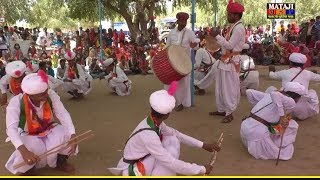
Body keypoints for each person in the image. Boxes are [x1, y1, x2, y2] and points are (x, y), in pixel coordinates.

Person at [108, 82, 220, 176]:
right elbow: (170, 162)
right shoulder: (149, 135)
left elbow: (176, 134)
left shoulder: (153, 121)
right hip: (133, 169)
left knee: (172, 139)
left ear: (152, 108)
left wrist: (203, 145)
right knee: (169, 160)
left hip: (142, 159)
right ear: (167, 114)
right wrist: (201, 169)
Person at [5, 70, 78, 175]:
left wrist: (72, 134)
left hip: (48, 128)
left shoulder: (50, 94)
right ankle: (28, 169)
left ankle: (60, 161)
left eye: (46, 91)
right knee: (29, 147)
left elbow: (63, 114)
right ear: (31, 95)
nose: (46, 95)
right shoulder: (16, 102)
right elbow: (11, 128)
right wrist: (24, 151)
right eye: (41, 94)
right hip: (27, 133)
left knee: (66, 133)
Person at [240, 82, 306, 160]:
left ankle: (270, 138)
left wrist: (256, 113)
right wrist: (281, 116)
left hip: (245, 129)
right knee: (293, 125)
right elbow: (275, 94)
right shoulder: (290, 102)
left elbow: (249, 92)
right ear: (297, 96)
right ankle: (275, 142)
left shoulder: (268, 96)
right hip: (257, 134)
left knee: (281, 124)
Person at [208, 0, 246, 123]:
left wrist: (217, 35)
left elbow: (230, 45)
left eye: (229, 14)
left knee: (229, 88)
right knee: (220, 87)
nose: (227, 16)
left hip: (231, 62)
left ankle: (229, 112)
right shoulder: (233, 26)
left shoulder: (239, 28)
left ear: (236, 15)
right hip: (225, 60)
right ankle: (222, 109)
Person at [164, 12, 200, 111]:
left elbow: (196, 45)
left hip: (184, 62)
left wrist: (194, 46)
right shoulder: (172, 33)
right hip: (172, 61)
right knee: (171, 82)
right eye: (182, 21)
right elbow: (167, 46)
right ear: (177, 21)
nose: (184, 23)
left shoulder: (189, 33)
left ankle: (180, 103)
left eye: (185, 21)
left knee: (182, 84)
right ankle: (169, 100)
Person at [268, 53, 320, 121]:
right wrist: (315, 73)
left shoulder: (285, 72)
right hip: (301, 110)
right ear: (303, 64)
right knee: (312, 92)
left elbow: (272, 76)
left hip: (285, 107)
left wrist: (271, 71)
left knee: (271, 89)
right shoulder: (308, 73)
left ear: (291, 63)